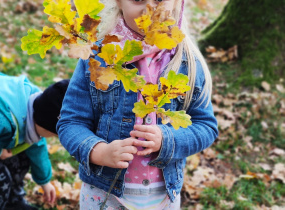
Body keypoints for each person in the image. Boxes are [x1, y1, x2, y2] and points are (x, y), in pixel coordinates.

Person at [57, 0, 218, 209]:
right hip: (103, 196)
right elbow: (70, 122)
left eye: (159, 0)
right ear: (119, 2)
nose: (150, 8)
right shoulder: (98, 58)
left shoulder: (187, 63)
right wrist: (99, 151)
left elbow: (206, 127)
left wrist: (167, 140)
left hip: (162, 198)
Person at [0, 68, 69, 210]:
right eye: (55, 134)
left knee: (23, 157)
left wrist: (44, 181)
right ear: (46, 125)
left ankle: (13, 200)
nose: (55, 137)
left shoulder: (36, 107)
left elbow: (37, 145)